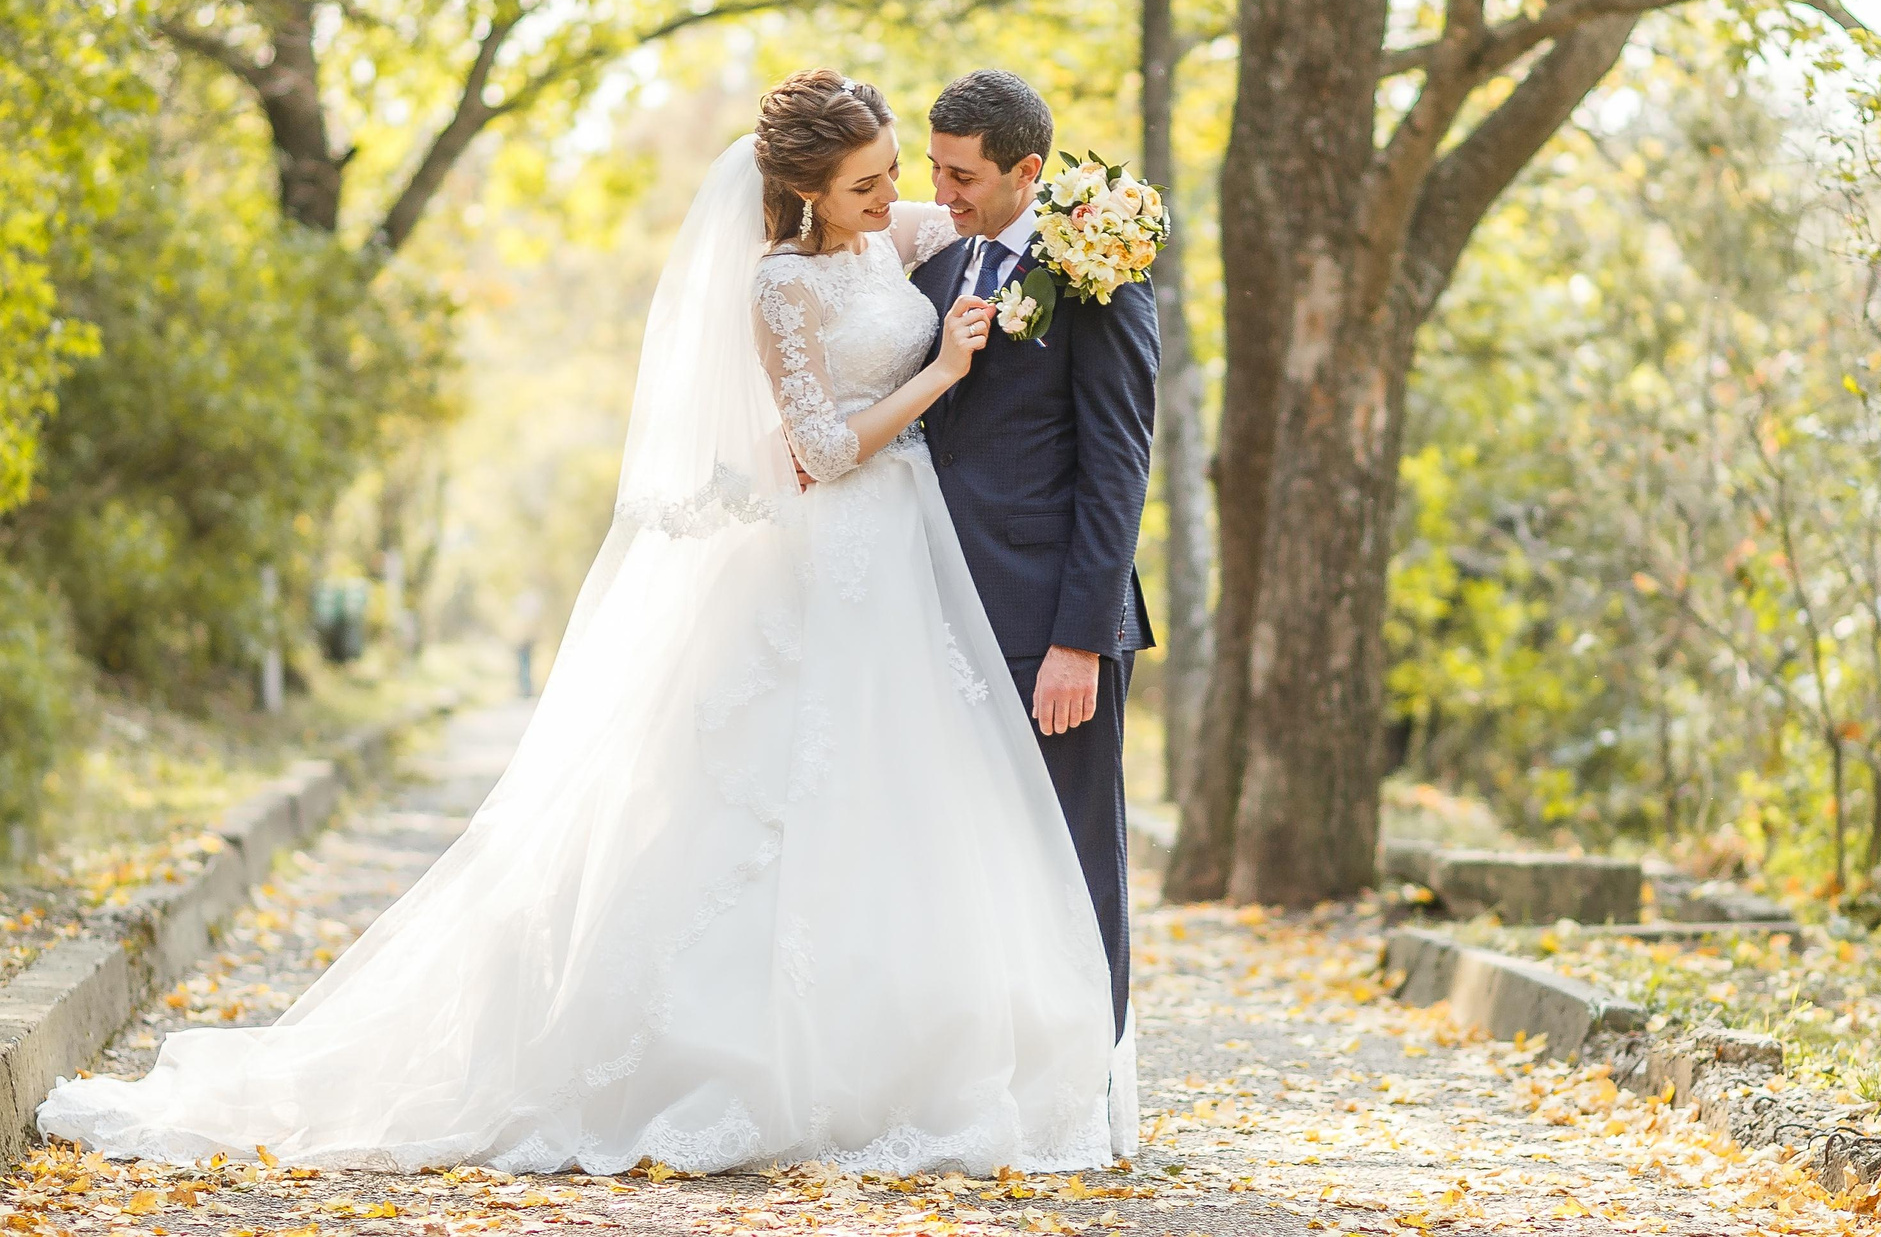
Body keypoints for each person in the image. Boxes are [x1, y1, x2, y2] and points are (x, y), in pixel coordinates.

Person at [37, 71, 1118, 1176]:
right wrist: (941, 369)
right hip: (827, 552)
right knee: (768, 802)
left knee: (902, 803)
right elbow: (822, 453)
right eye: (867, 183)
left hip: (905, 560)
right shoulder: (779, 289)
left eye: (900, 171)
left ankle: (907, 1047)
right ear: (807, 194)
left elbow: (1007, 216)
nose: (899, 195)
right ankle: (727, 1061)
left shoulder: (893, 233)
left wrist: (1106, 218)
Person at [912, 70, 1160, 1137]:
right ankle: (985, 1086)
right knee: (966, 861)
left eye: (961, 175)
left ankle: (1085, 1099)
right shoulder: (943, 260)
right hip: (937, 614)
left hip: (1048, 626)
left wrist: (1079, 643)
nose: (941, 190)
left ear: (1027, 172)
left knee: (1071, 860)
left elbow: (1117, 466)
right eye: (932, 167)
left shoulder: (1099, 273)